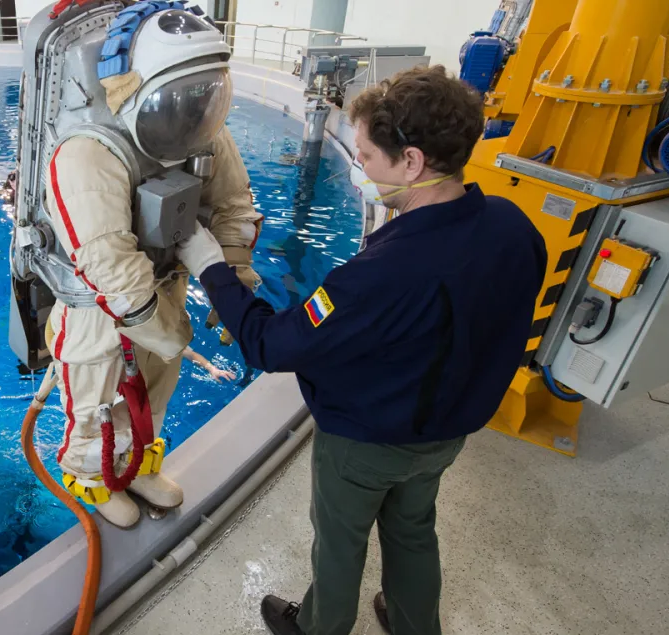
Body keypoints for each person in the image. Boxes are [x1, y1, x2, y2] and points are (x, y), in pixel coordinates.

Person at [176, 66, 548, 635]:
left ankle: (319, 627)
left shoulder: (379, 276)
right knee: (413, 527)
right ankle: (413, 624)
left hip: (366, 440)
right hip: (449, 429)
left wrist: (210, 267)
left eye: (369, 157)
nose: (361, 170)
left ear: (413, 162)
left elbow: (270, 344)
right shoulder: (513, 225)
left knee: (340, 541)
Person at [7, 0, 262, 528]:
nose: (191, 115)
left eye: (201, 98)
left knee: (156, 392)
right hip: (98, 314)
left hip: (162, 293)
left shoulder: (200, 126)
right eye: (180, 100)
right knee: (98, 407)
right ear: (138, 87)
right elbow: (109, 264)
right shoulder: (86, 151)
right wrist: (165, 330)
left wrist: (232, 274)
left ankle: (140, 466)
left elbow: (234, 202)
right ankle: (93, 481)